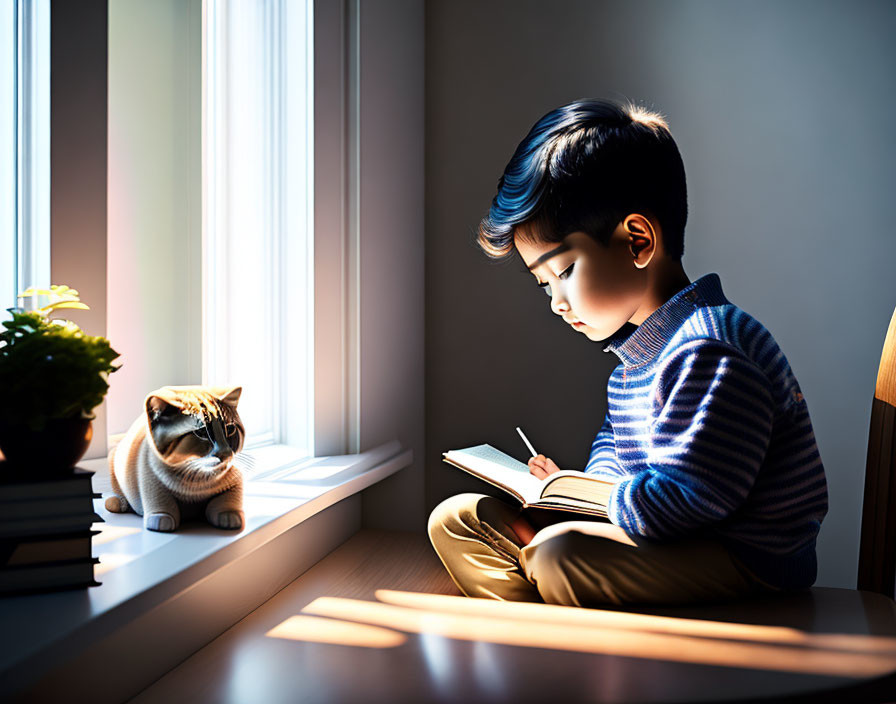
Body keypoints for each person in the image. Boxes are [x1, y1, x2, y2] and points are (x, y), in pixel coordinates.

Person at [427, 98, 828, 607]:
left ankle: (548, 601)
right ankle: (551, 610)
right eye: (543, 283)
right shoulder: (637, 359)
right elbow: (617, 450)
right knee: (460, 520)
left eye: (565, 271)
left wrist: (590, 498)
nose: (556, 302)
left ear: (638, 241)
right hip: (658, 532)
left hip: (744, 560)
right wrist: (574, 488)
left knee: (558, 554)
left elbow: (694, 500)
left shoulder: (712, 349)